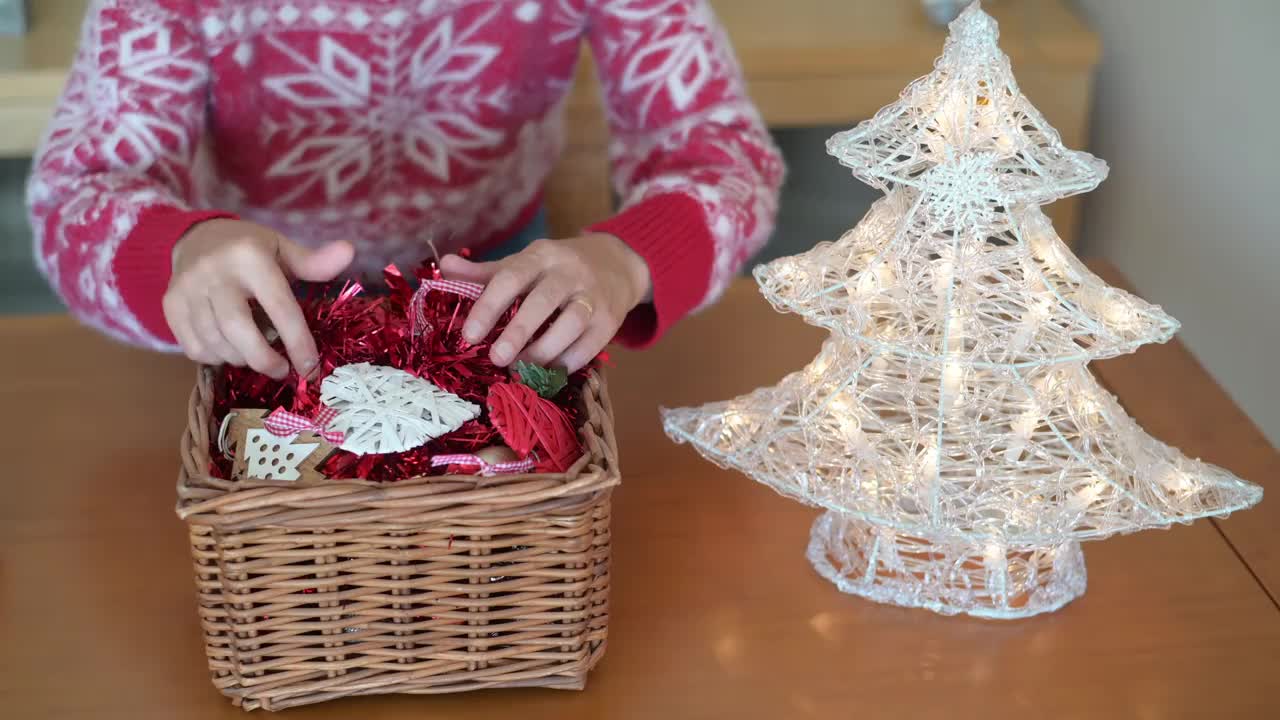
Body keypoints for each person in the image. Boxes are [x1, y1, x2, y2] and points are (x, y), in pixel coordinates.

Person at [28, 0, 783, 378]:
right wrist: (183, 248)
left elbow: (722, 154)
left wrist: (626, 260)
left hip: (498, 297)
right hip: (258, 309)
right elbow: (79, 195)